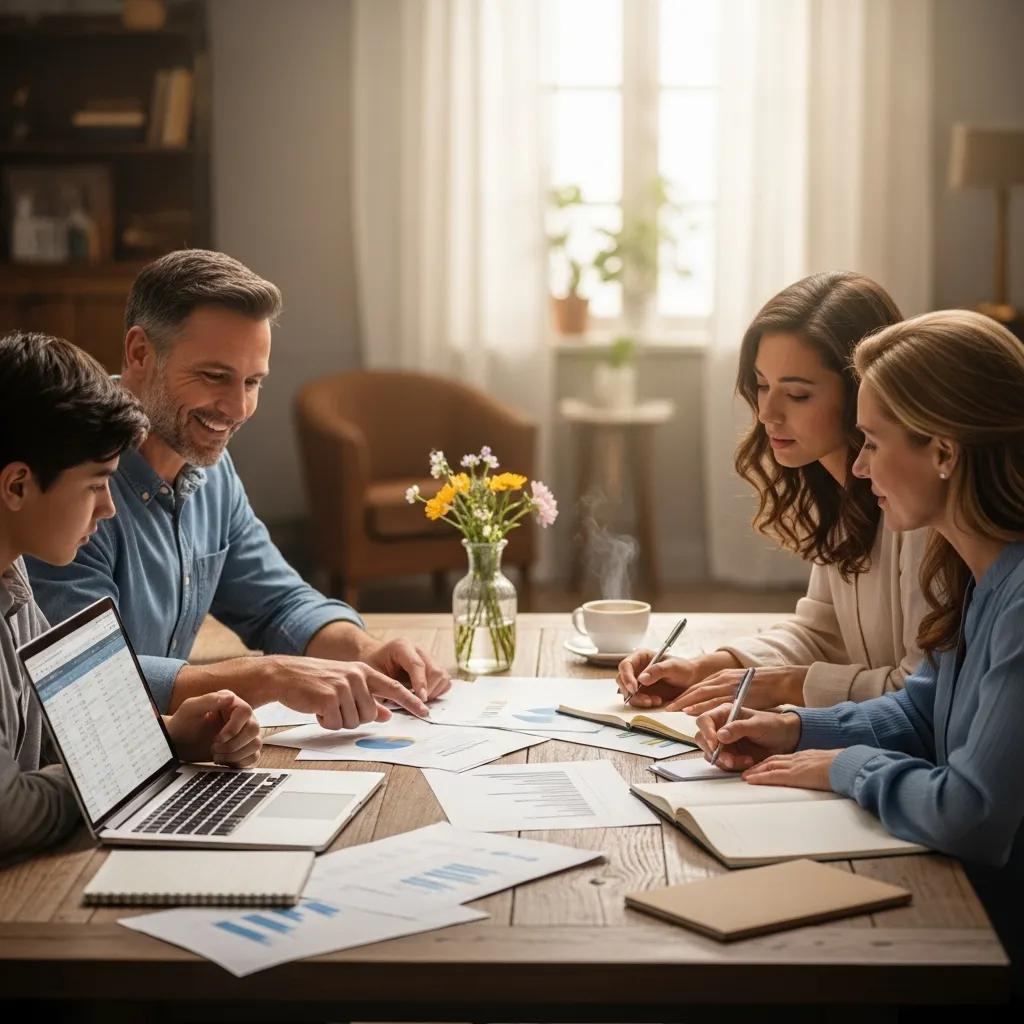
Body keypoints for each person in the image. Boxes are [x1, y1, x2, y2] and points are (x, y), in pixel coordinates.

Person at [694, 310, 1024, 982]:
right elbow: (919, 712)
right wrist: (794, 729)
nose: (861, 465)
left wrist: (845, 766)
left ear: (943, 451)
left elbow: (970, 815)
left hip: (993, 932)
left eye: (872, 442)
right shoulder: (970, 570)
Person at [28, 249, 451, 729]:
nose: (237, 407)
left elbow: (278, 601)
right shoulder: (67, 480)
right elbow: (87, 679)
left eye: (253, 382)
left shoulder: (210, 468)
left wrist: (367, 652)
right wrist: (269, 676)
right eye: (215, 376)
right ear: (141, 353)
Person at [0, 331, 262, 859]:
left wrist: (166, 736)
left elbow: (55, 728)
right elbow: (9, 813)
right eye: (96, 485)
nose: (108, 509)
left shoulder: (14, 575)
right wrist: (141, 758)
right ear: (17, 486)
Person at [618, 271, 928, 714]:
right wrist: (706, 667)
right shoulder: (842, 490)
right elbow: (822, 633)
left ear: (863, 392)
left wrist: (786, 687)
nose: (767, 413)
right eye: (762, 385)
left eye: (797, 395)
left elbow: (921, 695)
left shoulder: (918, 513)